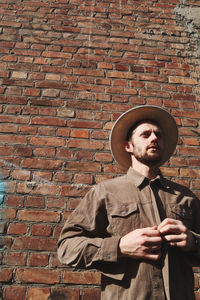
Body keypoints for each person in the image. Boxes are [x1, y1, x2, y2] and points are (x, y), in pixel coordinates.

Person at [57, 105, 200, 300]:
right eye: (146, 134)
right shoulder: (105, 192)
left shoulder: (186, 197)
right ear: (128, 146)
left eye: (158, 134)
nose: (154, 138)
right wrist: (119, 247)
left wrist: (193, 242)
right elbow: (67, 248)